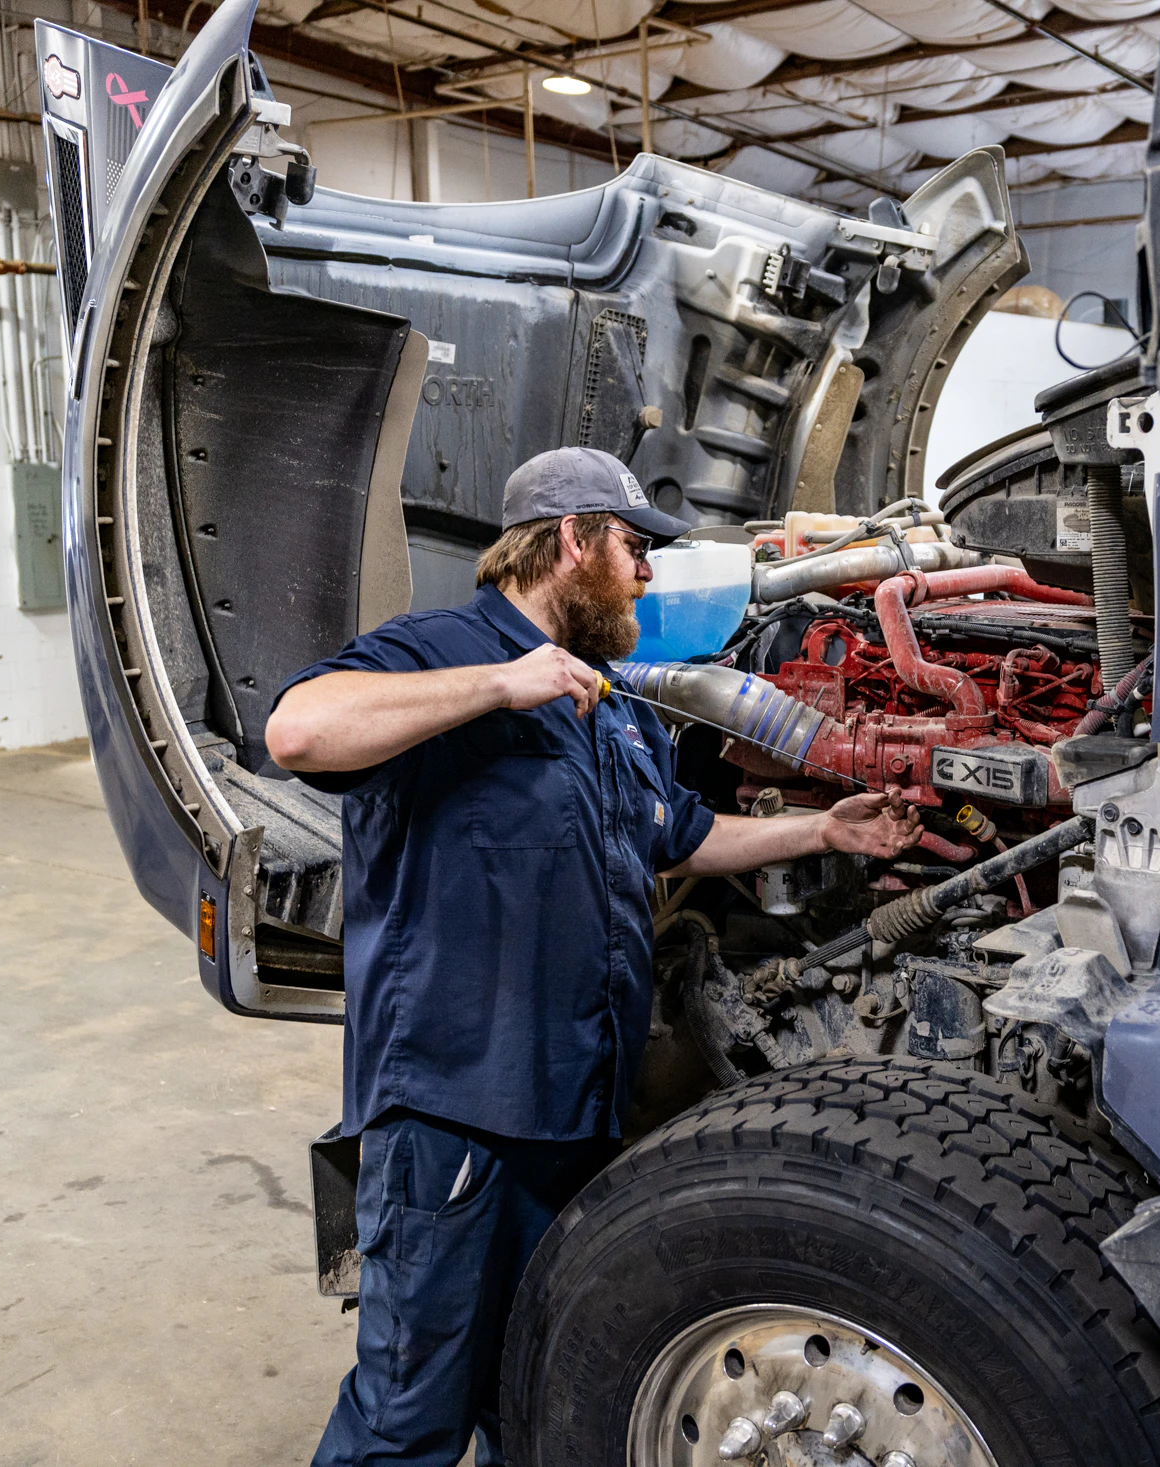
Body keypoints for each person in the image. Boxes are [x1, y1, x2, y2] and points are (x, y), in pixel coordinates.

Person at [264, 445, 922, 1467]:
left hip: (576, 1122)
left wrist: (824, 832)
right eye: (631, 547)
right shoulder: (440, 649)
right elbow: (298, 733)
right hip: (457, 1126)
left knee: (534, 1389)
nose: (646, 573)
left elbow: (680, 835)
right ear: (569, 542)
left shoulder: (606, 703)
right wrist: (494, 685)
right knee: (408, 1416)